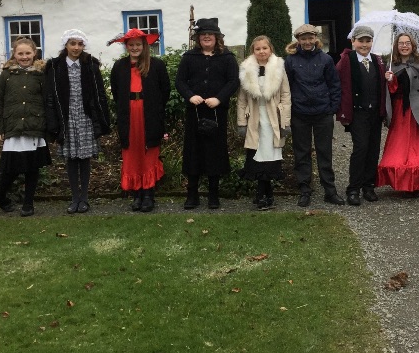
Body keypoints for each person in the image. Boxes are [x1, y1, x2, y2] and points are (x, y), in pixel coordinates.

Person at [175, 18, 239, 209]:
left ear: (217, 37)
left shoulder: (227, 58)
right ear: (198, 38)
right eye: (203, 35)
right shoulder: (189, 57)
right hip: (195, 111)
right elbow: (180, 82)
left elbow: (233, 82)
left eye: (210, 35)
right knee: (193, 152)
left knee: (215, 153)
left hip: (216, 112)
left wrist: (219, 98)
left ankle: (213, 195)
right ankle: (192, 195)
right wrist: (190, 96)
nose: (207, 37)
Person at [46, 29, 111, 214]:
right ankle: (74, 197)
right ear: (65, 45)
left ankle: (84, 198)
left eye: (79, 44)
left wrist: (102, 119)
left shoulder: (90, 64)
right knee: (71, 159)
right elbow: (51, 96)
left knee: (84, 159)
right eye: (72, 43)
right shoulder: (54, 66)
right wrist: (53, 122)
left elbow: (100, 95)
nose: (76, 47)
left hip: (85, 118)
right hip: (66, 118)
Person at [110, 28, 170, 213]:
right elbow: (116, 91)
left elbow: (164, 91)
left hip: (149, 114)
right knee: (132, 153)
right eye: (131, 45)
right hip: (129, 115)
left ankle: (148, 194)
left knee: (149, 153)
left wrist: (153, 108)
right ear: (127, 46)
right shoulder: (119, 66)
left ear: (144, 46)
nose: (135, 48)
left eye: (138, 44)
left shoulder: (156, 65)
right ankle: (136, 194)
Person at [377, 33, 419, 195]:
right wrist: (390, 80)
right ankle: (406, 182)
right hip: (401, 111)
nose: (404, 46)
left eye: (407, 43)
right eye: (401, 43)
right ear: (396, 46)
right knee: (401, 148)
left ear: (412, 45)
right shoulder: (391, 65)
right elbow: (391, 92)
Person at [284, 24, 342, 207]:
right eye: (303, 39)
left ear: (316, 39)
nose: (307, 42)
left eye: (310, 38)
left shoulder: (325, 59)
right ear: (298, 40)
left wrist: (332, 107)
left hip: (322, 113)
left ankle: (329, 190)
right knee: (302, 153)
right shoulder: (291, 61)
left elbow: (334, 84)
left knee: (325, 152)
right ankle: (304, 190)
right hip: (299, 113)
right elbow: (287, 87)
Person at [0, 37, 51, 217]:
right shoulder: (7, 75)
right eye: (20, 53)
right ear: (14, 55)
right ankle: (0, 196)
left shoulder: (41, 75)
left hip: (34, 125)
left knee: (32, 169)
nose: (24, 57)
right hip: (13, 126)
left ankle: (28, 203)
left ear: (34, 53)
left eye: (28, 53)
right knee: (11, 168)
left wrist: (48, 127)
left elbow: (47, 101)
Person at [236, 35, 292, 210]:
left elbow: (286, 95)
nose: (261, 51)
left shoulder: (278, 68)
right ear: (253, 51)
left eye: (264, 48)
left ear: (271, 49)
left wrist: (286, 121)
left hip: (273, 120)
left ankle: (266, 194)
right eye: (257, 49)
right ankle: (262, 194)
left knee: (270, 157)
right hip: (254, 119)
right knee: (256, 156)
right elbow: (242, 99)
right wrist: (241, 123)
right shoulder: (246, 69)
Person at [336, 24, 387, 206]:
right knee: (361, 148)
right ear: (353, 41)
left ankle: (368, 186)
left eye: (368, 41)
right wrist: (342, 112)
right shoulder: (346, 61)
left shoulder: (378, 61)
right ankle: (353, 189)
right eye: (361, 41)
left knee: (373, 150)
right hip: (358, 113)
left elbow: (381, 86)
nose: (364, 45)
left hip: (375, 113)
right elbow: (340, 86)